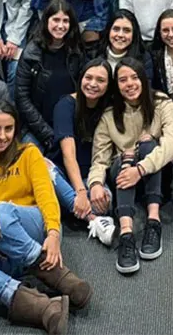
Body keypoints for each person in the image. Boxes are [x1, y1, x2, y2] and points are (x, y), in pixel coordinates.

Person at [0, 100, 90, 333]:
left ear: (16, 129)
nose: (2, 136)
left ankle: (43, 266)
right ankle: (41, 308)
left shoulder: (28, 153)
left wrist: (54, 233)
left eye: (8, 129)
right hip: (0, 243)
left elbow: (46, 196)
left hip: (35, 231)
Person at [88, 57, 173, 274]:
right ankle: (126, 233)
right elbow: (100, 159)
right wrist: (94, 184)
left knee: (149, 144)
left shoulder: (161, 102)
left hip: (152, 176)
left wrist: (140, 169)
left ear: (143, 79)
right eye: (122, 80)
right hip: (122, 173)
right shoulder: (109, 115)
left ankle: (153, 221)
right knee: (126, 158)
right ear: (116, 86)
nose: (129, 84)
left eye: (134, 78)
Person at [50, 58, 117, 245]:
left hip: (93, 175)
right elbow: (68, 154)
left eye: (101, 80)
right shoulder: (66, 104)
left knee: (105, 201)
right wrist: (80, 191)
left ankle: (76, 209)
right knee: (43, 169)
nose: (93, 84)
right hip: (63, 174)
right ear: (81, 79)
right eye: (89, 77)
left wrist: (95, 185)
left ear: (108, 85)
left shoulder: (109, 108)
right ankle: (93, 220)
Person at [15, 0, 86, 157]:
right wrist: (47, 134)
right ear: (46, 20)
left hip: (68, 126)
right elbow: (22, 98)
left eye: (65, 21)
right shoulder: (30, 53)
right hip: (36, 128)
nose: (60, 26)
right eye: (56, 19)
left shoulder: (77, 51)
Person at [94, 10, 154, 81]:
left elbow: (146, 88)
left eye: (126, 30)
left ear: (134, 34)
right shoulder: (93, 54)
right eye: (116, 29)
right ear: (108, 31)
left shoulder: (144, 58)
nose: (120, 35)